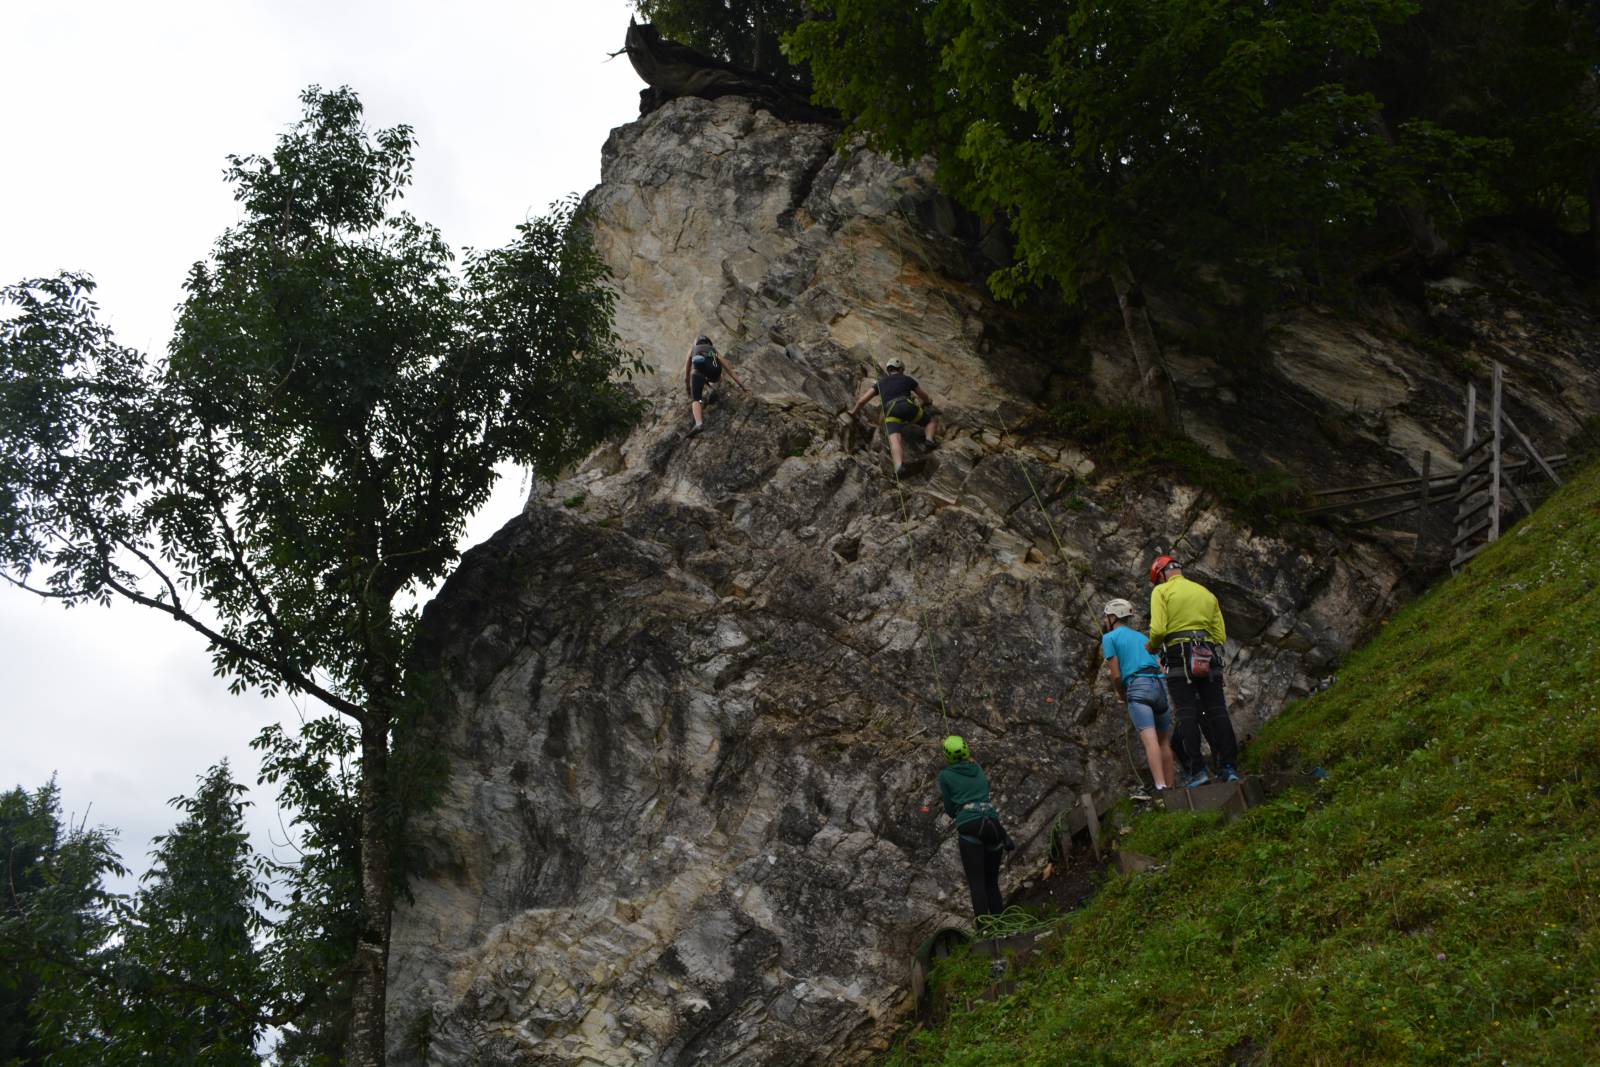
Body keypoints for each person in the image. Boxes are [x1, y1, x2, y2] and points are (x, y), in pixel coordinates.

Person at [1145, 555, 1241, 787]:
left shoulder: (1162, 592)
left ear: (1162, 575)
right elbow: (1220, 635)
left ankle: (1198, 771)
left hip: (1179, 656)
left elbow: (1158, 630)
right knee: (1218, 711)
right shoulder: (1206, 593)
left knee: (1187, 713)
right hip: (1207, 654)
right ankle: (1229, 768)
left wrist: (1152, 646)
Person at [1100, 597, 1175, 797]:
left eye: (1107, 617)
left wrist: (1121, 694)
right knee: (1164, 743)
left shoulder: (1109, 638)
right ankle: (1172, 785)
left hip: (1138, 687)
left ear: (1113, 617)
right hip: (1159, 685)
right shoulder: (1142, 637)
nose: (1105, 620)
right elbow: (1161, 666)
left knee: (1150, 742)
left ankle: (1161, 788)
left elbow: (1116, 674)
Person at [936, 735, 1010, 923]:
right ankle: (1001, 925)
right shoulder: (977, 768)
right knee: (991, 882)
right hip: (993, 825)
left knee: (977, 883)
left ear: (947, 756)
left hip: (970, 825)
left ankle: (985, 929)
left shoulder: (945, 776)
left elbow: (950, 808)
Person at [846, 357, 939, 478]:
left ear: (889, 370)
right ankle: (929, 440)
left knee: (895, 440)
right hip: (906, 406)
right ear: (900, 369)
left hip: (891, 411)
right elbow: (924, 396)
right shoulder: (907, 379)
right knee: (930, 422)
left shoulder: (880, 383)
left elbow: (862, 401)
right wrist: (928, 401)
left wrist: (853, 412)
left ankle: (899, 466)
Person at [681, 334, 746, 436]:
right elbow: (729, 370)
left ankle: (699, 423)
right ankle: (712, 388)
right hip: (714, 375)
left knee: (696, 399)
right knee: (713, 374)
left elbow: (686, 376)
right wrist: (743, 386)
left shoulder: (693, 349)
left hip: (699, 372)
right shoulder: (713, 350)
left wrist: (688, 389)